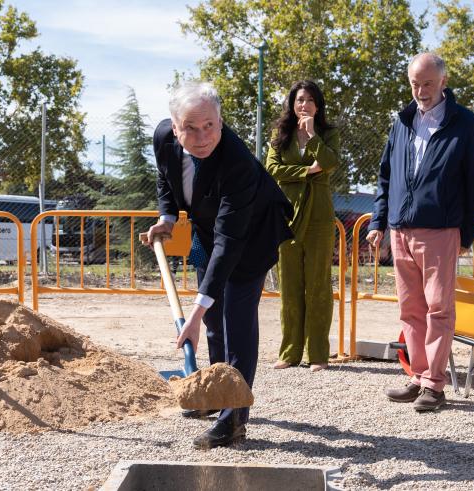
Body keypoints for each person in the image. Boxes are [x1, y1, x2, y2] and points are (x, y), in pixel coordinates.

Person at [144, 81, 293, 450]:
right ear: (175, 128)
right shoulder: (163, 138)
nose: (201, 136)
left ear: (221, 121)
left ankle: (234, 418)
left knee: (235, 321)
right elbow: (166, 179)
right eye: (190, 128)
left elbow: (231, 243)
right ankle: (214, 393)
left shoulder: (236, 162)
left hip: (252, 235)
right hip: (209, 233)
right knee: (212, 321)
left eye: (209, 125)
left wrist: (192, 314)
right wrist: (167, 216)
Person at [367, 52, 474, 412]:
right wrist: (378, 222)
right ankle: (418, 376)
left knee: (438, 309)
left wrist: (466, 232)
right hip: (400, 229)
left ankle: (435, 385)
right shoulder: (402, 122)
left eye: (428, 84)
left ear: (444, 83)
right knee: (410, 310)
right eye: (415, 84)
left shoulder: (466, 123)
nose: (421, 91)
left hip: (441, 229)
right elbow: (385, 175)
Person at [265, 80, 340, 372]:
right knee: (290, 283)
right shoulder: (280, 133)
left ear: (317, 105)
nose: (304, 105)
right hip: (287, 213)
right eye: (299, 100)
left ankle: (318, 354)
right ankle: (290, 352)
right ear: (292, 104)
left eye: (309, 100)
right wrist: (308, 170)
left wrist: (312, 137)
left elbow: (331, 162)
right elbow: (272, 168)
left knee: (318, 285)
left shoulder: (327, 133)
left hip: (319, 215)